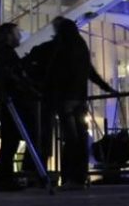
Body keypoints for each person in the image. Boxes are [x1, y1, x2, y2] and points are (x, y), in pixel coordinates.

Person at [27, 16, 116, 190]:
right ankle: (79, 176)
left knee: (69, 139)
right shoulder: (81, 46)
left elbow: (53, 72)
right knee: (80, 138)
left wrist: (42, 89)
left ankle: (68, 177)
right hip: (79, 99)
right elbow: (90, 72)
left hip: (63, 98)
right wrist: (106, 88)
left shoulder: (60, 48)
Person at [0, 24, 39, 191]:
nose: (20, 36)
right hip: (13, 102)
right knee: (11, 141)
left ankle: (3, 177)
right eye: (17, 33)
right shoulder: (7, 54)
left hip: (9, 101)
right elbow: (15, 77)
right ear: (9, 35)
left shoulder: (2, 53)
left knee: (10, 141)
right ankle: (4, 179)